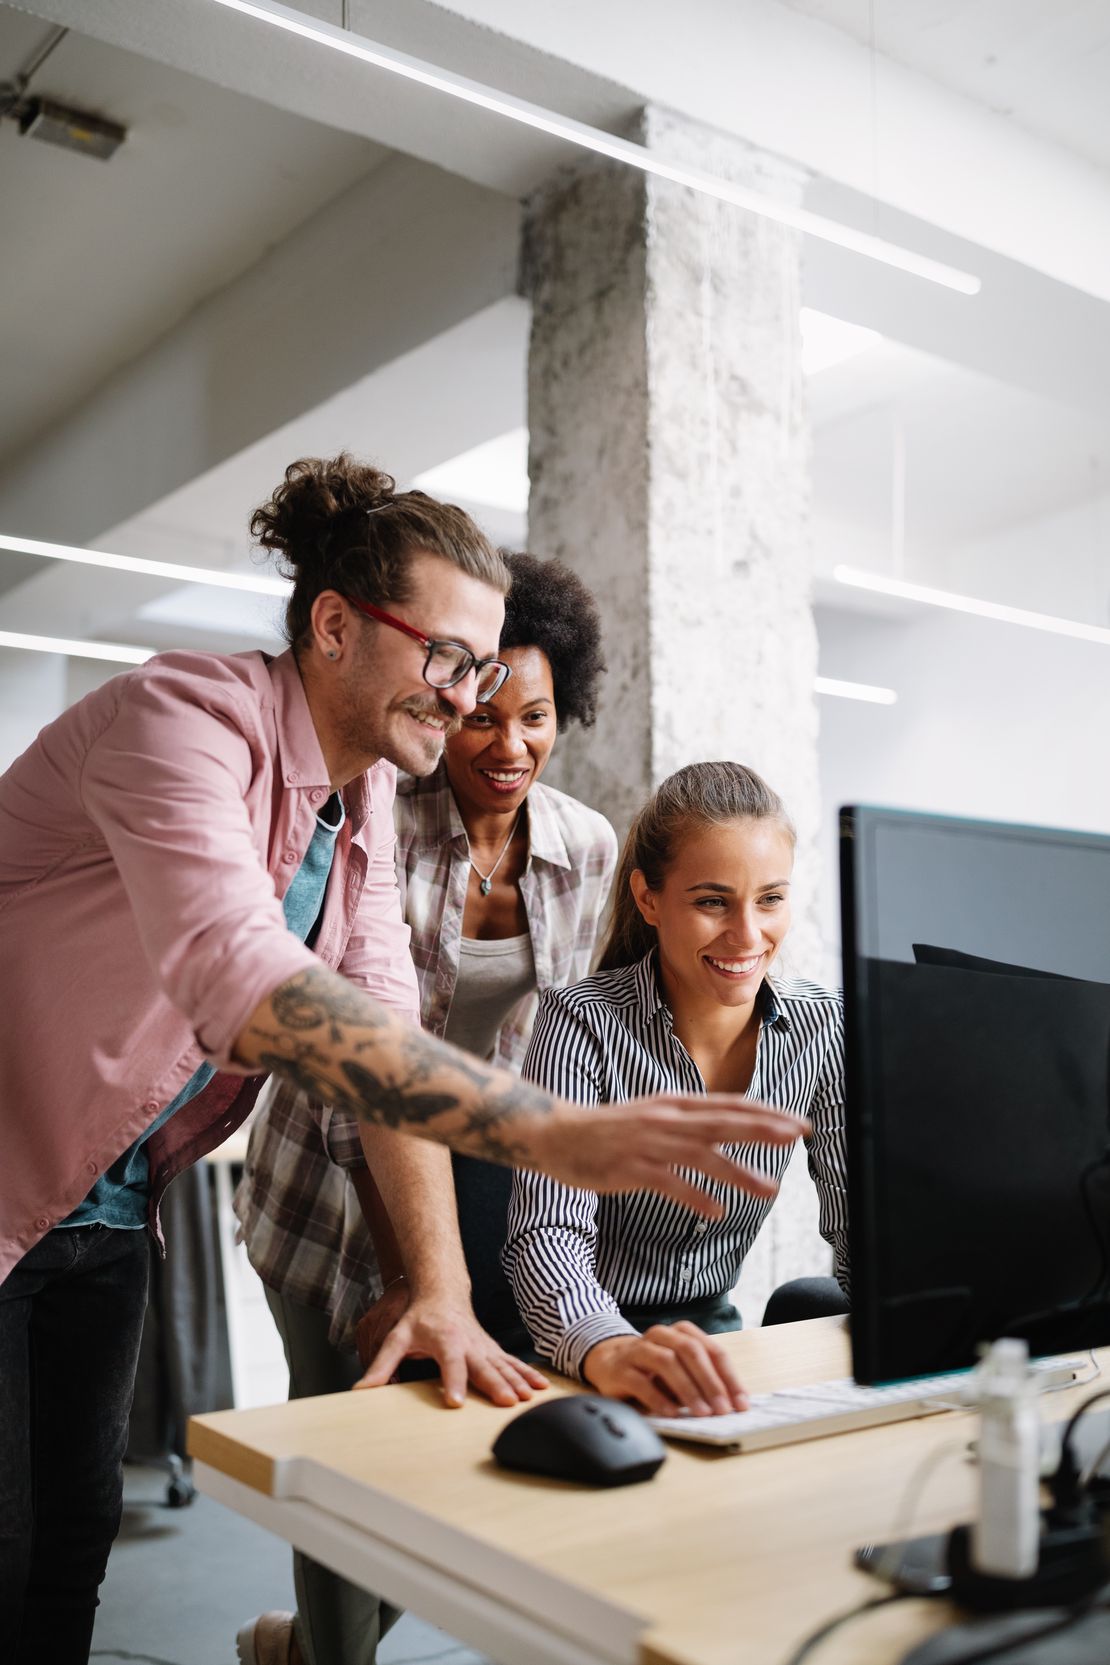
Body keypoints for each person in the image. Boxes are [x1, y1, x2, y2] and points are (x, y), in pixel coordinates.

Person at [0, 455, 803, 1665]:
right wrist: (542, 1128)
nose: (469, 695)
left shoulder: (356, 799)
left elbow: (382, 1026)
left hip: (107, 1197)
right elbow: (241, 977)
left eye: (485, 668)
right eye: (449, 659)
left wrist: (439, 1286)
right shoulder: (179, 722)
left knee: (73, 1534)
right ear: (333, 627)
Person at [235, 552, 618, 1665]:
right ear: (445, 703)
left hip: (476, 1192)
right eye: (483, 718)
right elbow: (356, 1064)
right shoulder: (375, 820)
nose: (509, 748)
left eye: (538, 719)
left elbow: (549, 1047)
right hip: (326, 1178)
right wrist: (407, 1269)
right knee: (345, 1455)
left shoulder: (584, 846)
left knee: (463, 1453)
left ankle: (303, 1651)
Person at [503, 760, 849, 1417]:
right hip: (577, 1352)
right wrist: (609, 1349)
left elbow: (867, 1224)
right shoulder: (580, 1021)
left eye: (770, 898)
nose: (749, 935)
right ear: (649, 898)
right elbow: (547, 1234)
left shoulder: (822, 1025)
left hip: (712, 1344)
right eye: (713, 901)